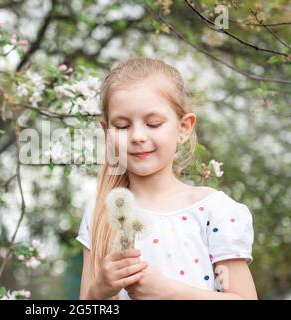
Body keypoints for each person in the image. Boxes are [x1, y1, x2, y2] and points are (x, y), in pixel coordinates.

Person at [76, 57, 257, 300]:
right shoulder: (100, 213)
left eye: (153, 123)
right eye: (121, 126)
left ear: (183, 128)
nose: (137, 136)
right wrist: (98, 291)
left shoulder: (214, 211)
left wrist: (169, 293)